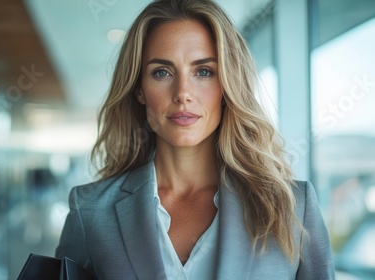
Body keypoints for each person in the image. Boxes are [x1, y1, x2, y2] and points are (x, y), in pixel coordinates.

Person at [55, 0, 335, 279]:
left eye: (203, 71)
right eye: (162, 72)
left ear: (227, 86)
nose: (183, 93)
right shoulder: (90, 211)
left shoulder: (293, 207)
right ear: (140, 89)